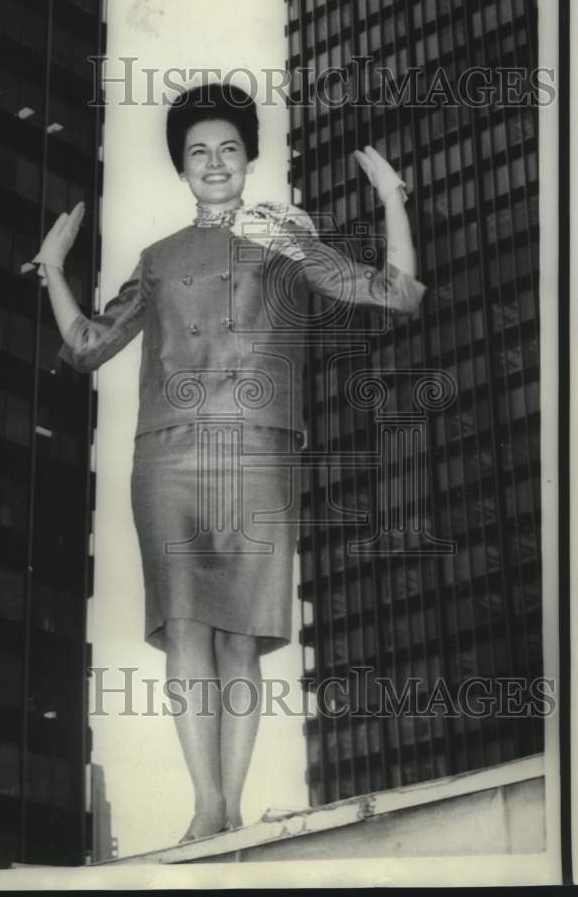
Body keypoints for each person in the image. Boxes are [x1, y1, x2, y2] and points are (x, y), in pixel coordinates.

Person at [27, 82, 426, 846]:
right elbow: (86, 347)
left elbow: (397, 295)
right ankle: (205, 804)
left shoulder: (287, 240)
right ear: (183, 168)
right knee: (185, 628)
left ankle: (230, 808)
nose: (215, 163)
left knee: (241, 636)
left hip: (260, 452)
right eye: (198, 152)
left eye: (229, 150)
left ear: (248, 160)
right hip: (167, 459)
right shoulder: (158, 259)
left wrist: (392, 198)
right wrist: (53, 267)